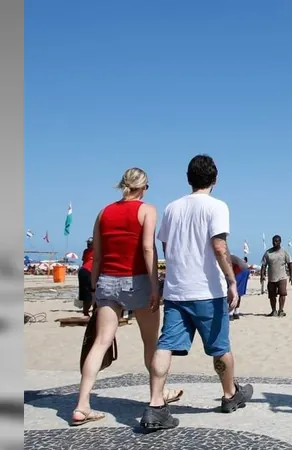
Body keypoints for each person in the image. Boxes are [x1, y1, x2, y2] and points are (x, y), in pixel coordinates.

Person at [140, 154, 253, 431]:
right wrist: (231, 281)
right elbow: (218, 246)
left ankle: (155, 404)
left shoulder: (172, 208)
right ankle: (229, 395)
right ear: (214, 180)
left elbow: (167, 247)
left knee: (165, 345)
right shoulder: (217, 207)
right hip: (207, 290)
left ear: (189, 179)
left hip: (178, 291)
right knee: (220, 346)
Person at [71, 168, 183, 427]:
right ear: (144, 187)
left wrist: (94, 289)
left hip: (107, 282)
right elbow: (147, 248)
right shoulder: (147, 210)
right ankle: (158, 396)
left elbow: (97, 255)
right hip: (137, 281)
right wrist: (155, 285)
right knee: (151, 343)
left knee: (100, 343)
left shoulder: (104, 212)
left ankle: (82, 405)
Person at [260, 235, 292, 317]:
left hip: (282, 277)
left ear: (280, 242)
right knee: (272, 296)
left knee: (282, 293)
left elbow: (290, 264)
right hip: (271, 278)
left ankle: (281, 310)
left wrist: (291, 276)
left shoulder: (284, 252)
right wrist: (262, 275)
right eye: (273, 241)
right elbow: (263, 265)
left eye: (276, 241)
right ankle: (273, 311)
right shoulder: (268, 253)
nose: (274, 243)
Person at [229, 254, 250, 320]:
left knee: (234, 291)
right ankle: (236, 313)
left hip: (240, 271)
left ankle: (231, 313)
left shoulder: (223, 256)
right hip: (244, 270)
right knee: (238, 292)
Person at [78, 238, 94, 316]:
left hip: (86, 270)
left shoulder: (95, 250)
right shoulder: (87, 251)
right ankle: (86, 312)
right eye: (88, 243)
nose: (88, 245)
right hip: (87, 271)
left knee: (88, 292)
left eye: (89, 243)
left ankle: (87, 311)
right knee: (89, 293)